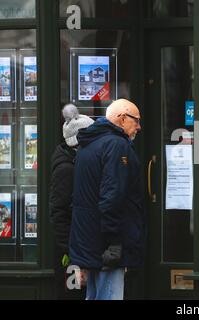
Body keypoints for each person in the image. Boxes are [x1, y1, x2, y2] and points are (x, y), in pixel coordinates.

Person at [69, 99, 145, 300]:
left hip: (89, 239)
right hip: (106, 243)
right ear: (122, 119)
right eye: (136, 120)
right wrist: (114, 243)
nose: (139, 126)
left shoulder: (90, 143)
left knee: (94, 296)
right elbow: (112, 197)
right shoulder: (117, 145)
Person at [49, 104, 94, 299]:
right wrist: (73, 258)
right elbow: (59, 213)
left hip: (76, 251)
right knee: (75, 293)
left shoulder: (73, 163)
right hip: (72, 255)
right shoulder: (67, 169)